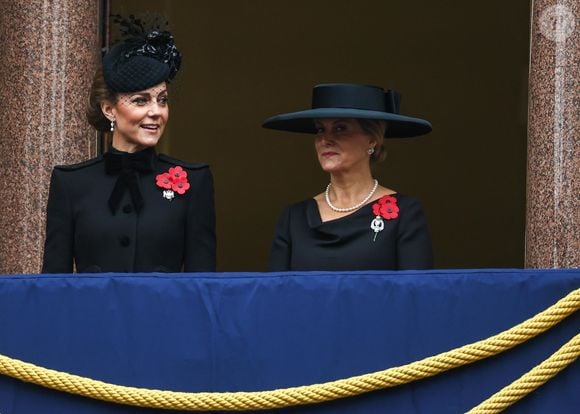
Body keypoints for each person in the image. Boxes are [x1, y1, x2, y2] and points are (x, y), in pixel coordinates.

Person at [42, 23, 216, 273]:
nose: (156, 112)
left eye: (162, 100)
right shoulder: (70, 184)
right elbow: (53, 287)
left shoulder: (195, 182)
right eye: (140, 101)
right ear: (109, 109)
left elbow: (203, 287)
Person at [263, 83, 432, 271]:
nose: (325, 140)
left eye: (340, 128)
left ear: (372, 139)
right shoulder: (293, 219)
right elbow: (275, 295)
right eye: (320, 129)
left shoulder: (405, 214)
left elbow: (416, 294)